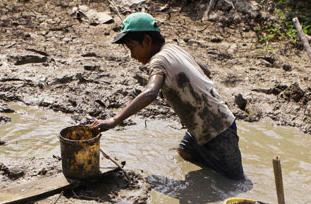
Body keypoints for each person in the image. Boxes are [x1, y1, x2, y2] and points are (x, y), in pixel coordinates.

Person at [89, 12, 244, 180]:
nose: (132, 55)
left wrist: (114, 120)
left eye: (132, 48)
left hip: (219, 131)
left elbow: (150, 92)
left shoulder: (158, 61)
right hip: (204, 125)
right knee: (185, 152)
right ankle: (204, 178)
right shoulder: (173, 48)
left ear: (147, 41)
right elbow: (206, 71)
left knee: (233, 181)